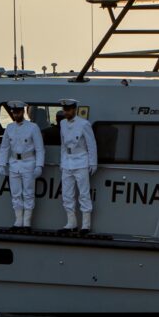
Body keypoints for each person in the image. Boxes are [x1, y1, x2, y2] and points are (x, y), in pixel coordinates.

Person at [0, 101, 45, 229]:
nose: (15, 114)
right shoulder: (9, 128)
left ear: (23, 112)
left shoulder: (33, 128)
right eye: (13, 112)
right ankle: (18, 221)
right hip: (14, 164)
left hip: (28, 163)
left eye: (17, 112)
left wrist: (39, 165)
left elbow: (40, 149)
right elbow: (4, 147)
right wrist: (2, 163)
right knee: (16, 193)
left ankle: (27, 222)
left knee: (28, 193)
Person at [58, 99, 97, 233]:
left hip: (81, 160)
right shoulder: (62, 123)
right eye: (64, 110)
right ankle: (71, 223)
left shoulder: (84, 124)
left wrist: (93, 162)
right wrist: (62, 162)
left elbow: (91, 144)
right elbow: (63, 145)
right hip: (67, 161)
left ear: (74, 109)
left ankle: (86, 224)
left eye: (68, 110)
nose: (66, 112)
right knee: (67, 194)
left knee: (84, 193)